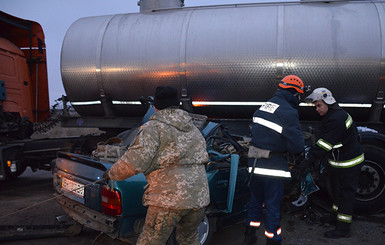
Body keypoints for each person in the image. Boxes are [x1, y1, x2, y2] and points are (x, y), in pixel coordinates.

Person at [103, 86, 210, 245]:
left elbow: (134, 161)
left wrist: (111, 174)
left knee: (151, 241)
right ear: (178, 104)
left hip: (168, 200)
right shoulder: (193, 128)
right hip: (199, 197)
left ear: (155, 107)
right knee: (189, 239)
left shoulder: (153, 128)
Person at [245, 75, 305, 245]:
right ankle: (273, 240)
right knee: (272, 206)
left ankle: (249, 237)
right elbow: (297, 145)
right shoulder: (288, 111)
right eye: (299, 95)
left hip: (255, 164)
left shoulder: (265, 106)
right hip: (273, 167)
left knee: (255, 202)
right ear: (294, 93)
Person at [303, 87, 364, 238]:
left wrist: (307, 160)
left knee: (345, 195)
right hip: (340, 162)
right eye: (315, 106)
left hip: (349, 163)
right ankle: (335, 217)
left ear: (327, 102)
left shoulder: (337, 118)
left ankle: (343, 229)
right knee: (337, 192)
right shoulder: (333, 115)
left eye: (318, 105)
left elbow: (325, 144)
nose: (316, 109)